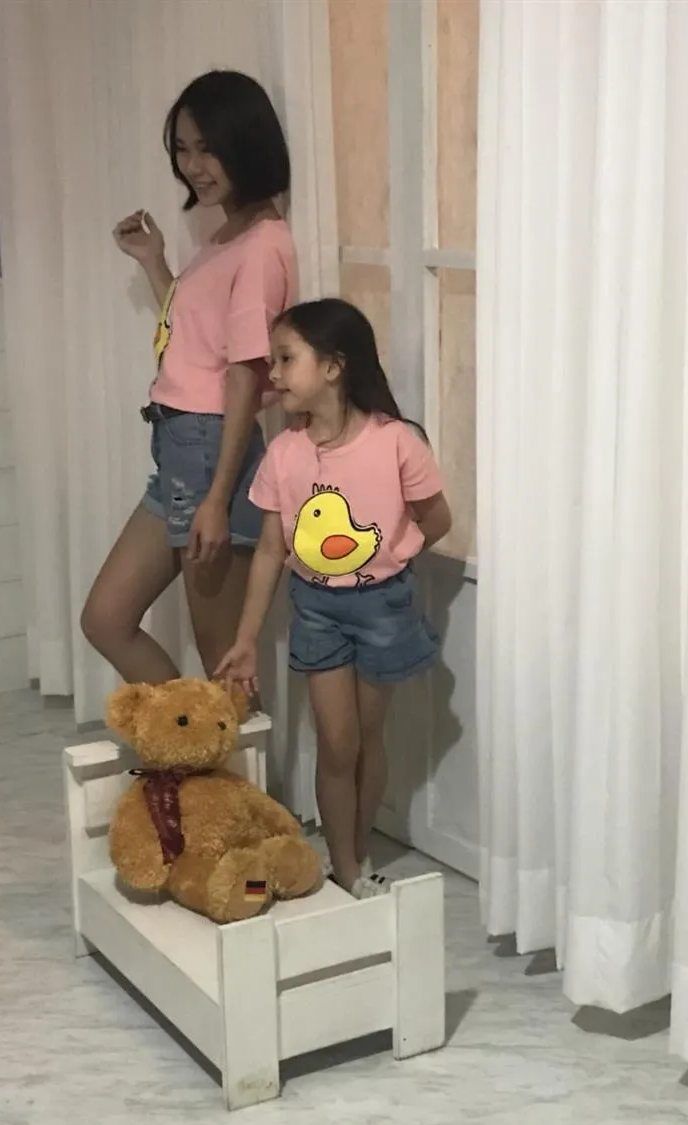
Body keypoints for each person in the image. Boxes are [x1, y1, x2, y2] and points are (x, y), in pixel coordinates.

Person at [215, 299, 452, 898]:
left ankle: (358, 849)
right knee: (337, 744)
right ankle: (344, 866)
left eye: (285, 359)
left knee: (367, 741)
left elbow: (438, 519)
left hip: (382, 609)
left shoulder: (395, 442)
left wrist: (393, 553)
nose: (273, 373)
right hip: (317, 609)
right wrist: (245, 639)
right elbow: (270, 551)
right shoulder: (284, 453)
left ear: (333, 366)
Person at [81, 70, 298, 682]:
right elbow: (195, 336)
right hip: (181, 448)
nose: (194, 166)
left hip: (209, 452)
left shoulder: (262, 245)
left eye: (208, 148)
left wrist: (217, 499)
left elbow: (244, 375)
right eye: (182, 149)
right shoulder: (227, 234)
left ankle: (223, 747)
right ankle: (191, 738)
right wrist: (155, 263)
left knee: (224, 666)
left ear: (245, 144)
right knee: (106, 619)